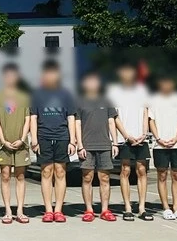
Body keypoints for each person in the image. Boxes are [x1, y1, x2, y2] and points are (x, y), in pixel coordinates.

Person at [30, 60, 76, 223]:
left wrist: (72, 140)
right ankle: (48, 210)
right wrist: (34, 139)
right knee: (46, 172)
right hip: (43, 137)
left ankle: (59, 210)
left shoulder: (66, 94)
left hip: (62, 136)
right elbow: (33, 117)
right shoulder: (37, 95)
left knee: (60, 172)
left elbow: (71, 117)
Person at [107, 62, 152, 221]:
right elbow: (114, 117)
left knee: (142, 170)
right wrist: (126, 136)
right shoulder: (114, 92)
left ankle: (142, 208)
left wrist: (144, 133)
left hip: (141, 138)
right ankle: (127, 208)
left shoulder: (142, 91)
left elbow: (146, 113)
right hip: (124, 139)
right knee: (125, 170)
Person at [75, 71, 119, 222]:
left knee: (104, 178)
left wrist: (115, 142)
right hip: (87, 146)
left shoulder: (106, 101)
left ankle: (105, 210)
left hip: (105, 145)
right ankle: (89, 210)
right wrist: (80, 145)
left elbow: (112, 122)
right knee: (87, 177)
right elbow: (77, 123)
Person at [149, 75, 177, 220]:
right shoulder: (153, 101)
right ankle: (166, 208)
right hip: (159, 145)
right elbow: (151, 121)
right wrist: (158, 139)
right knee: (162, 175)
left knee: (176, 175)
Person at [0, 63, 30, 224]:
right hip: (4, 145)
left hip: (21, 144)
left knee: (20, 176)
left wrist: (22, 138)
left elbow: (28, 119)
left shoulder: (24, 97)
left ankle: (20, 210)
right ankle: (8, 211)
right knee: (5, 176)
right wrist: (3, 141)